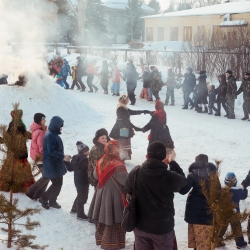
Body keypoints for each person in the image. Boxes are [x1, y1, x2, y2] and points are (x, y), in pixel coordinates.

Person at [125, 142, 187, 250]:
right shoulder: (169, 176)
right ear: (164, 157)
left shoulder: (135, 172)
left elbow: (127, 191)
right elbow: (183, 182)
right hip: (162, 227)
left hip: (140, 225)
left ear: (147, 155)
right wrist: (172, 162)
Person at [88, 140, 128, 250]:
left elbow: (95, 176)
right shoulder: (117, 164)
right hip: (113, 195)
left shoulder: (101, 161)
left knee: (103, 216)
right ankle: (114, 243)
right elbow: (125, 181)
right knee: (114, 216)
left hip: (101, 193)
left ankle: (102, 239)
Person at [179, 154, 217, 250]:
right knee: (205, 244)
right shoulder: (213, 176)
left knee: (197, 243)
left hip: (194, 214)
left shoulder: (192, 175)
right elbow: (219, 193)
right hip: (208, 214)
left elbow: (183, 190)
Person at [38, 116, 68, 210]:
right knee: (57, 184)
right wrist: (63, 156)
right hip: (52, 165)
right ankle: (44, 198)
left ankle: (52, 200)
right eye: (60, 126)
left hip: (55, 164)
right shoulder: (50, 136)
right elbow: (51, 152)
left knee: (58, 183)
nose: (61, 128)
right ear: (56, 125)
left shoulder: (52, 134)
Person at [109, 95, 151, 160]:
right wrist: (135, 127)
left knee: (123, 143)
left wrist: (143, 111)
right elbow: (124, 120)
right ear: (124, 100)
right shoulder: (120, 108)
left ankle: (121, 157)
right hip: (121, 128)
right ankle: (119, 157)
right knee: (121, 144)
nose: (128, 100)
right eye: (127, 99)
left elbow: (132, 112)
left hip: (124, 127)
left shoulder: (123, 107)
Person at [4, 109, 35, 192]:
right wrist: (34, 134)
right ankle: (20, 185)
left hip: (12, 151)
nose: (22, 116)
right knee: (20, 168)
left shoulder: (11, 124)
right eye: (21, 115)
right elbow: (25, 135)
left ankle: (11, 184)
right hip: (20, 151)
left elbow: (7, 136)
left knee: (12, 168)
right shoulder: (19, 125)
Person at [25, 113, 50, 200]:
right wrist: (47, 156)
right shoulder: (40, 132)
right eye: (44, 119)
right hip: (40, 158)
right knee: (47, 176)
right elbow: (41, 147)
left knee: (46, 176)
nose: (45, 120)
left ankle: (38, 195)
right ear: (40, 120)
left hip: (37, 157)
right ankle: (31, 192)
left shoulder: (37, 130)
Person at [220, 172, 248, 248]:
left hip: (224, 212)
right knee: (237, 227)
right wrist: (245, 190)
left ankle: (218, 240)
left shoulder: (222, 190)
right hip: (235, 212)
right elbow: (244, 196)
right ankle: (240, 243)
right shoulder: (238, 191)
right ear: (235, 182)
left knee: (222, 227)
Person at [65, 141, 90, 220]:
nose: (88, 152)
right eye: (86, 151)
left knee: (80, 195)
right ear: (82, 152)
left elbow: (70, 168)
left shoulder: (75, 158)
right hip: (84, 181)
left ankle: (74, 209)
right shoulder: (85, 160)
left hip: (77, 181)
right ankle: (80, 214)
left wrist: (66, 162)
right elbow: (87, 170)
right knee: (83, 198)